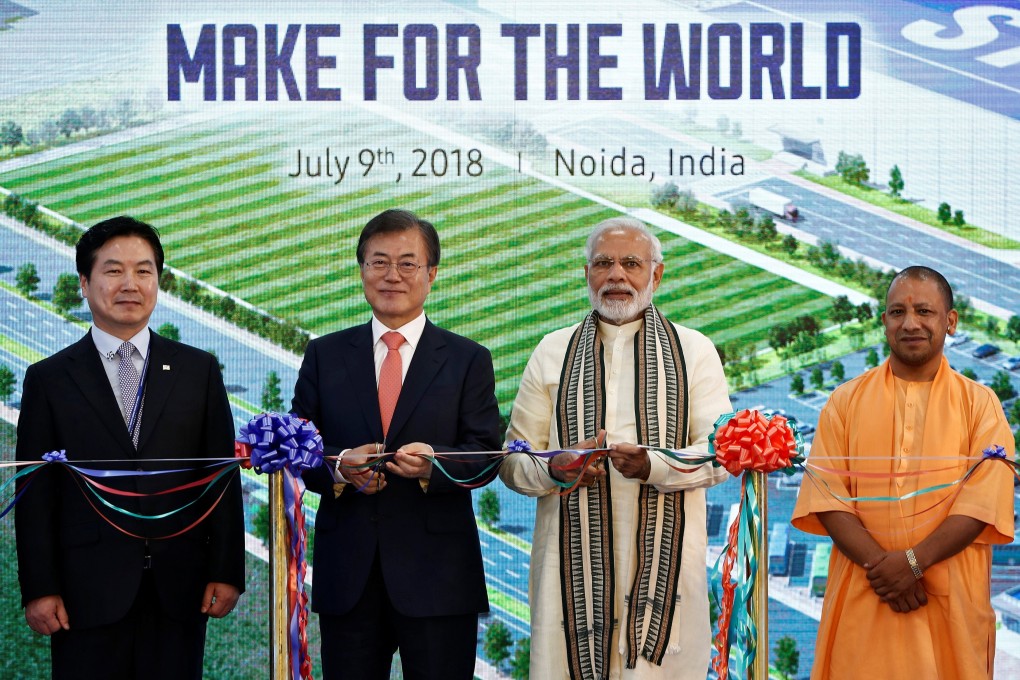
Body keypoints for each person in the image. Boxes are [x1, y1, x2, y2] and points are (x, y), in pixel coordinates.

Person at [500, 216, 733, 679]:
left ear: (656, 275)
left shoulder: (694, 350)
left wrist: (654, 465)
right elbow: (512, 459)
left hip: (667, 574)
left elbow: (720, 453)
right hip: (567, 572)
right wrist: (554, 468)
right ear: (586, 274)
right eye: (603, 263)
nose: (617, 276)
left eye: (631, 263)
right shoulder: (552, 350)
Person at [14, 216, 245, 680]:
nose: (130, 284)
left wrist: (227, 570)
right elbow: (35, 496)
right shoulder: (49, 379)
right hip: (84, 593)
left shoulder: (198, 371)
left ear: (158, 281)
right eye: (113, 270)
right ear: (84, 283)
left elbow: (220, 479)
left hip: (179, 588)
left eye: (143, 271)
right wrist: (39, 587)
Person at [291, 208, 501, 680]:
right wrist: (340, 469)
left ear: (432, 274)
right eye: (379, 262)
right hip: (349, 577)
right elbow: (299, 449)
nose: (392, 275)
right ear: (362, 270)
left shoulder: (467, 359)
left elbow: (487, 456)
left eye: (408, 263)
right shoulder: (325, 354)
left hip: (440, 579)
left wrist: (434, 465)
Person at [791, 265, 1015, 680]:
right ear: (885, 322)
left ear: (950, 321)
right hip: (866, 595)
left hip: (950, 604)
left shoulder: (980, 405)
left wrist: (913, 563)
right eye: (898, 312)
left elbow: (982, 504)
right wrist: (885, 568)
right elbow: (826, 497)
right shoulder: (845, 401)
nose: (910, 323)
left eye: (924, 311)